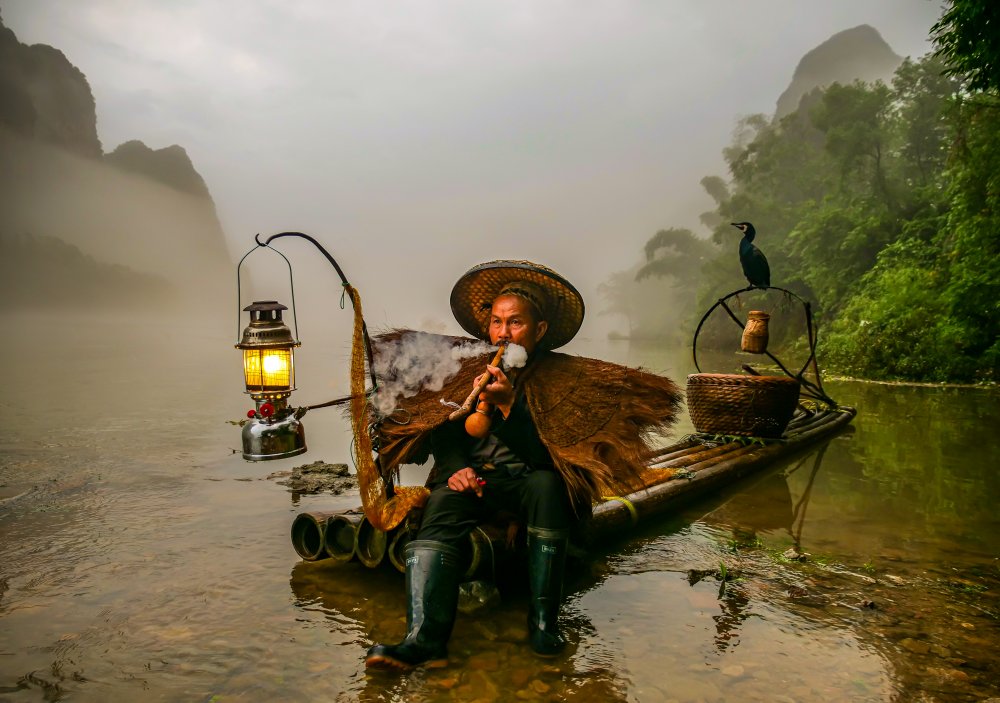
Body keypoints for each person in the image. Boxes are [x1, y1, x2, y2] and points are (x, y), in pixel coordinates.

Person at [365, 260, 682, 671]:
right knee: (441, 504)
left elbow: (553, 457)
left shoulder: (564, 379)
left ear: (540, 329)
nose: (503, 333)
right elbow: (444, 431)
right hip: (474, 480)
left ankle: (544, 622)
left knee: (547, 488)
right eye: (497, 322)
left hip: (528, 480)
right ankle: (424, 640)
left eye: (515, 323)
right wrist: (457, 468)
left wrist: (510, 406)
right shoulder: (469, 366)